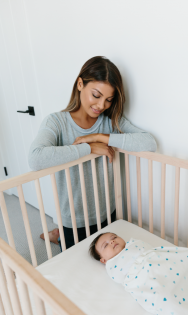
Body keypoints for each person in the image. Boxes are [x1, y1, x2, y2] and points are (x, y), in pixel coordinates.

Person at [28, 56, 157, 250]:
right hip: (74, 217)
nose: (101, 105)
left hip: (107, 210)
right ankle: (59, 236)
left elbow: (149, 143)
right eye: (96, 95)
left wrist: (102, 137)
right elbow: (35, 158)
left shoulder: (109, 121)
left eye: (108, 100)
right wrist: (89, 148)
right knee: (75, 257)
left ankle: (57, 236)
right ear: (80, 84)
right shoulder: (56, 122)